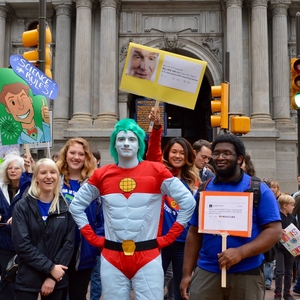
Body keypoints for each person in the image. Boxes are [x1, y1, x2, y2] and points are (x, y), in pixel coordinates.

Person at [69, 118, 196, 300]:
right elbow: (76, 206)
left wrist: (169, 237)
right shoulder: (101, 174)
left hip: (148, 256)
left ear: (139, 145)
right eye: (121, 139)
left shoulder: (157, 171)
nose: (126, 143)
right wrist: (92, 238)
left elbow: (188, 203)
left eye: (132, 139)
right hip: (112, 256)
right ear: (114, 144)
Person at [180, 133, 282, 300]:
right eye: (216, 153)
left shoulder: (258, 189)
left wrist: (240, 252)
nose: (220, 157)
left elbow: (274, 231)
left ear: (240, 159)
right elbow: (194, 232)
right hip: (207, 271)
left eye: (227, 153)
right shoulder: (204, 189)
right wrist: (186, 274)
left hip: (247, 273)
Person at [147, 108, 199, 300]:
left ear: (187, 157)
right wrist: (157, 127)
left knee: (181, 290)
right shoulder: (158, 172)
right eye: (173, 152)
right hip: (158, 241)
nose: (177, 156)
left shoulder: (194, 182)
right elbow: (153, 151)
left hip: (183, 243)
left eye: (181, 153)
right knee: (152, 287)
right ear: (167, 154)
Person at [11, 158, 75, 300]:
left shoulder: (66, 207)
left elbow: (69, 244)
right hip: (28, 277)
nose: (48, 176)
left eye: (53, 172)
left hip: (57, 278)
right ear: (36, 178)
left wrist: (53, 276)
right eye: (43, 172)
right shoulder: (22, 207)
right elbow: (22, 245)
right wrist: (50, 268)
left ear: (58, 177)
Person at [56, 138, 103, 300]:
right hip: (57, 249)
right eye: (72, 153)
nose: (76, 157)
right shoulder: (54, 179)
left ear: (87, 157)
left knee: (78, 295)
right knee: (57, 294)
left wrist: (95, 244)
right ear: (65, 154)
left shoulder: (94, 183)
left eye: (81, 154)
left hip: (83, 250)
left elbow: (101, 217)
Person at [0, 152, 32, 300]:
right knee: (6, 278)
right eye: (9, 168)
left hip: (22, 242)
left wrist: (19, 218)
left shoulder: (28, 190)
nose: (12, 170)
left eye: (17, 168)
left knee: (21, 280)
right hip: (4, 242)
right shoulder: (1, 189)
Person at [274, 194, 297, 300]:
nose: (293, 207)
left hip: (290, 248)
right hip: (279, 248)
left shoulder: (292, 218)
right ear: (284, 205)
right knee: (279, 271)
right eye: (291, 205)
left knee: (289, 271)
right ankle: (277, 293)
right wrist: (279, 232)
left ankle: (287, 292)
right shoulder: (277, 217)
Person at [90, 149, 104, 300]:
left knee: (97, 276)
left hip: (98, 238)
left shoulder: (104, 180)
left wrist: (98, 237)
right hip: (78, 237)